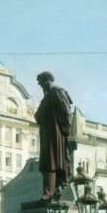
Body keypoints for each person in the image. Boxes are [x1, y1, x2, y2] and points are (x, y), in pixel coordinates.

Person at [35, 71, 75, 200]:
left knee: (51, 161)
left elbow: (67, 112)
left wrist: (65, 133)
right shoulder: (48, 96)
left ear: (47, 81)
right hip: (48, 134)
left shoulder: (56, 92)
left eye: (41, 84)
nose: (41, 87)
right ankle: (50, 191)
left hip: (55, 134)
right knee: (48, 162)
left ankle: (50, 192)